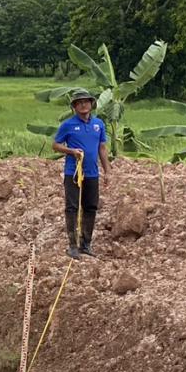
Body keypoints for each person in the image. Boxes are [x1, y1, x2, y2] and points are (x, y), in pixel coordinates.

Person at [51, 88, 110, 259]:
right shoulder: (68, 125)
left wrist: (107, 171)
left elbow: (102, 148)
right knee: (72, 207)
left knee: (91, 206)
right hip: (73, 172)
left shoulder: (99, 124)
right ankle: (72, 245)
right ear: (75, 107)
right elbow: (55, 145)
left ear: (91, 104)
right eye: (79, 103)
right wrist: (71, 151)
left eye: (86, 101)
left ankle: (86, 244)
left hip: (92, 173)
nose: (83, 105)